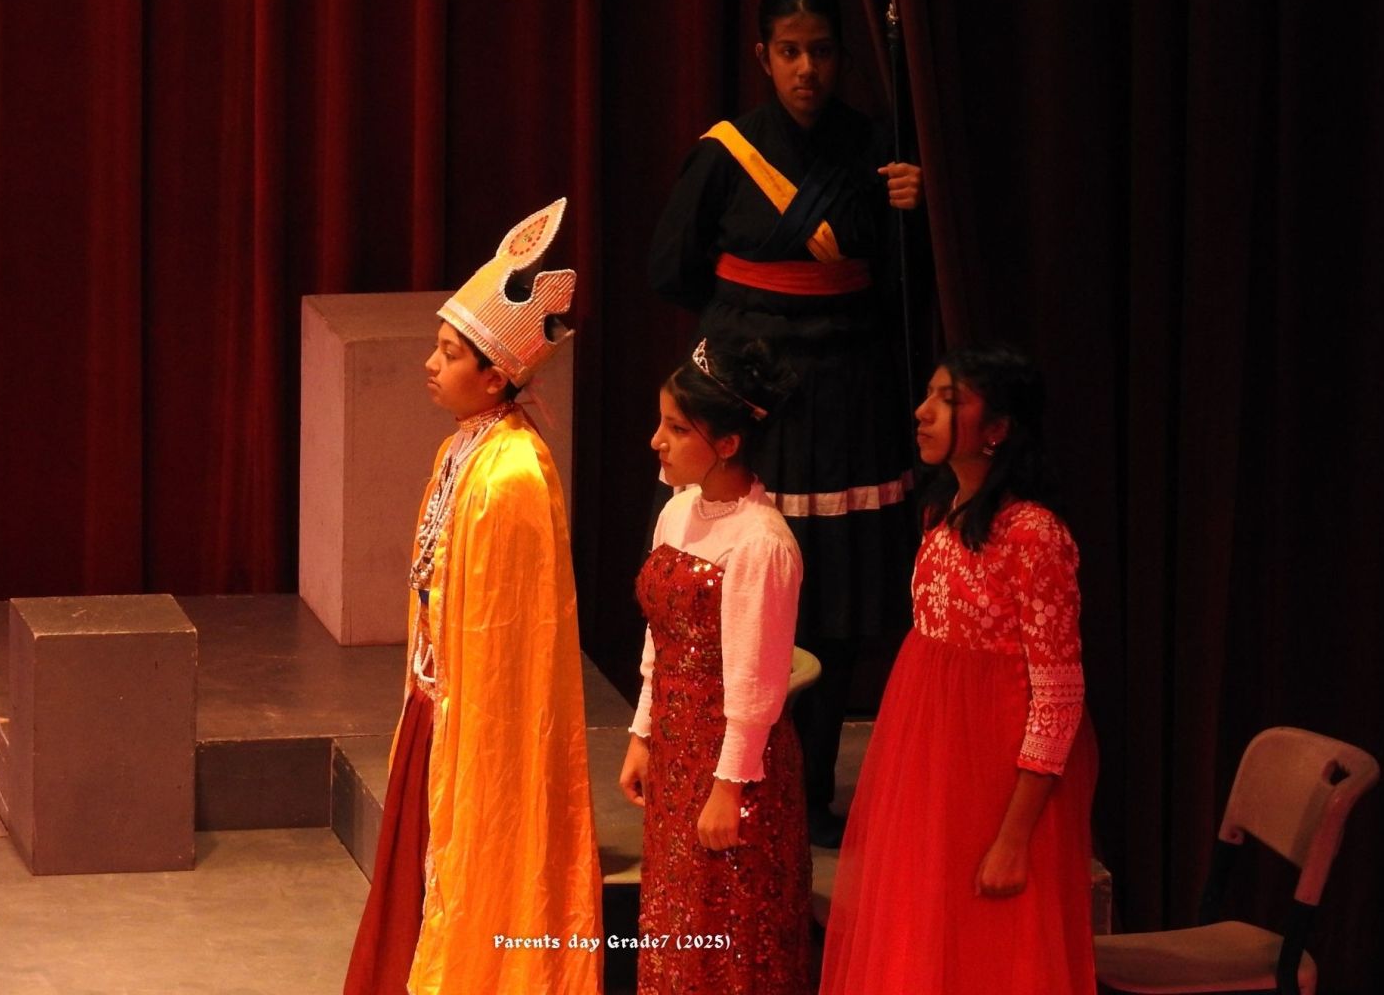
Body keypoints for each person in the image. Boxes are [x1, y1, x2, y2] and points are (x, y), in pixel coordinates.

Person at [649, 0, 925, 846]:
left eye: (823, 52)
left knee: (831, 596)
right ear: (763, 55)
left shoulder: (878, 151)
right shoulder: (726, 153)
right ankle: (727, 772)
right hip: (754, 399)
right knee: (744, 590)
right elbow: (671, 270)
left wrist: (912, 215)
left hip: (848, 401)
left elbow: (906, 290)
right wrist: (748, 325)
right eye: (791, 51)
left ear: (842, 57)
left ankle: (810, 792)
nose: (808, 69)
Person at [344, 199, 602, 995]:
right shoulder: (464, 447)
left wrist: (463, 718)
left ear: (495, 376)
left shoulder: (512, 474)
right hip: (438, 705)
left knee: (469, 870)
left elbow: (511, 635)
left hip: (477, 721)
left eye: (449, 353)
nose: (430, 363)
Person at [818, 344, 1099, 994]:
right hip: (933, 763)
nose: (922, 412)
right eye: (927, 396)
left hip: (997, 777)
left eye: (948, 401)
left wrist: (1014, 837)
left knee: (991, 950)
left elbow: (1058, 695)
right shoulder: (940, 514)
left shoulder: (1033, 534)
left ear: (996, 428)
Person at [618, 339, 812, 994]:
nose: (657, 441)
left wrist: (729, 787)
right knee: (677, 920)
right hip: (676, 752)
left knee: (730, 932)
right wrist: (642, 735)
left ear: (727, 444)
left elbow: (759, 684)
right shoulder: (677, 512)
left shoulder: (762, 543)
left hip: (735, 765)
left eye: (677, 429)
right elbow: (660, 643)